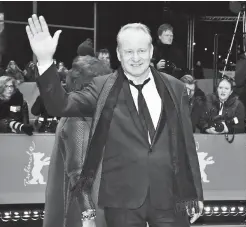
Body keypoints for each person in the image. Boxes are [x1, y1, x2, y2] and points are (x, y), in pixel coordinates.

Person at [26, 15, 203, 227]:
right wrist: (45, 61)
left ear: (151, 52)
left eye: (141, 51)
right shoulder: (102, 87)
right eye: (129, 51)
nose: (136, 58)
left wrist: (195, 193)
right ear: (119, 54)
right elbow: (60, 106)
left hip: (170, 196)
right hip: (122, 199)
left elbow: (187, 142)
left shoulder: (175, 87)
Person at [43, 56, 112, 227]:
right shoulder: (78, 118)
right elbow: (78, 171)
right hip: (84, 211)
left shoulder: (87, 113)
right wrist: (89, 216)